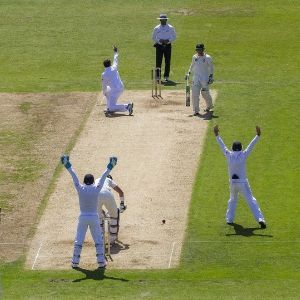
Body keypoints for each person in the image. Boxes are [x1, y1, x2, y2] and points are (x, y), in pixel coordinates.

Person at [60, 155, 118, 269]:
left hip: (82, 217)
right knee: (98, 240)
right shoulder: (97, 188)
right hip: (94, 218)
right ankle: (101, 262)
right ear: (92, 181)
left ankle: (75, 262)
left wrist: (67, 164)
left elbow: (74, 176)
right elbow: (103, 176)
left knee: (79, 239)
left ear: (84, 181)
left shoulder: (80, 188)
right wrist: (111, 165)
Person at [213, 125, 267, 229]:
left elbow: (222, 145)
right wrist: (258, 135)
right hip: (243, 183)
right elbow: (251, 146)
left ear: (232, 148)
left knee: (232, 200)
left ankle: (229, 219)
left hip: (232, 184)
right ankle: (260, 219)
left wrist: (216, 134)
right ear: (241, 148)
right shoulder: (243, 155)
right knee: (251, 200)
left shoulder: (228, 154)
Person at [101, 46, 133, 115]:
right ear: (110, 64)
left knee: (107, 93)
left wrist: (104, 93)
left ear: (104, 65)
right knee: (108, 92)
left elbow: (104, 86)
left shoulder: (104, 74)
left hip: (115, 90)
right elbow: (115, 59)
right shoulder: (114, 67)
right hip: (121, 87)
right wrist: (115, 52)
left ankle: (127, 106)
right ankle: (109, 107)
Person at [96, 174, 127, 245]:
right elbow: (121, 192)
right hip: (107, 194)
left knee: (99, 217)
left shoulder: (96, 180)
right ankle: (112, 240)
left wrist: (100, 211)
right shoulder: (109, 180)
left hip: (95, 195)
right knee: (114, 215)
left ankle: (100, 240)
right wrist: (122, 205)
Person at [186, 43, 214, 116]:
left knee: (205, 93)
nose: (198, 51)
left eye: (199, 49)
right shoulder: (194, 57)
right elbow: (192, 65)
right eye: (197, 50)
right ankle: (196, 110)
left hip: (205, 78)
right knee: (195, 94)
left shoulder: (208, 57)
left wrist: (211, 77)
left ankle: (209, 106)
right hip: (196, 78)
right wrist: (188, 73)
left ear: (203, 49)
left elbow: (211, 68)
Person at [152, 13, 176, 82]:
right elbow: (153, 37)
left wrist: (168, 40)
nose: (162, 21)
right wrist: (159, 41)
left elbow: (174, 36)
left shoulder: (170, 27)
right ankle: (157, 77)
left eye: (164, 19)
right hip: (159, 46)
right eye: (161, 20)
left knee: (167, 61)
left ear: (166, 20)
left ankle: (166, 76)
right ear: (160, 20)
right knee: (158, 61)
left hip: (168, 45)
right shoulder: (156, 28)